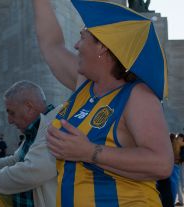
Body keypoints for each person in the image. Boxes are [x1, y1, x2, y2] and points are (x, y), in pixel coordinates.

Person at [33, 0, 173, 206]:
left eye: (82, 37)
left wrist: (89, 152)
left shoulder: (137, 96)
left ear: (103, 47)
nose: (76, 45)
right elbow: (51, 44)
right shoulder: (85, 86)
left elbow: (162, 163)